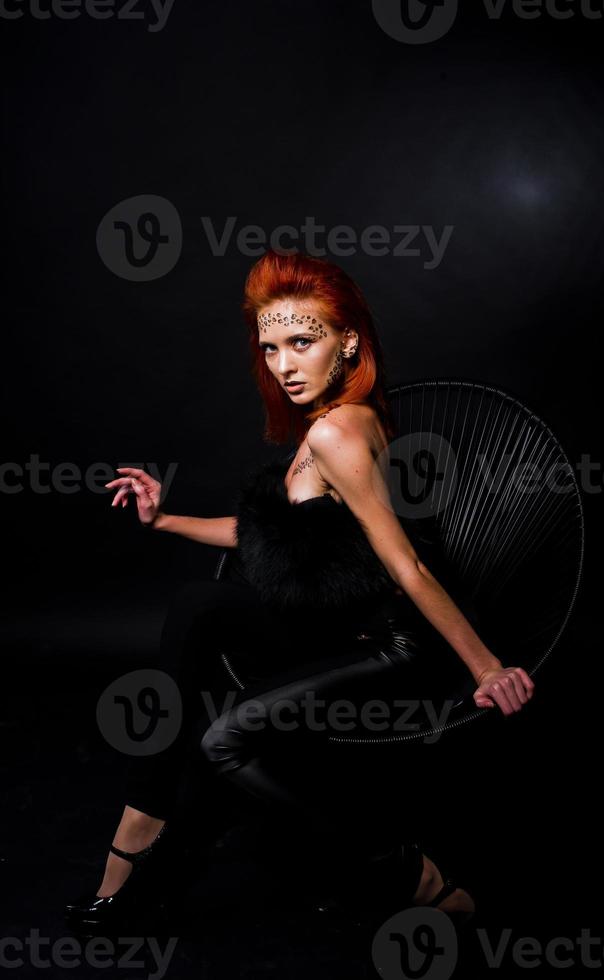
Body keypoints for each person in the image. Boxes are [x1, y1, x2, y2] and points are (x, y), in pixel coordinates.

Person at [65, 249, 535, 934]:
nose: (284, 364)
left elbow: (405, 566)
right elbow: (271, 537)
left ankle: (400, 870)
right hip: (343, 625)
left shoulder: (337, 432)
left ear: (347, 341)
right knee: (201, 607)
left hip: (393, 648)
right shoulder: (338, 416)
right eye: (271, 346)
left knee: (223, 741)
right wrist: (162, 519)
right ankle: (146, 816)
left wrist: (484, 665)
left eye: (302, 342)